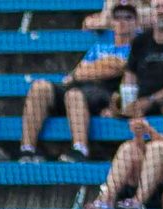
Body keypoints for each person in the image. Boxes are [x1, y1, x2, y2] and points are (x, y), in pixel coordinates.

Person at [18, 1, 138, 163]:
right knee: (39, 87)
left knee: (73, 95)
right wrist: (99, 67)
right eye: (117, 17)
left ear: (135, 22)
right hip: (78, 85)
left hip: (103, 93)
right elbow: (79, 70)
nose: (122, 21)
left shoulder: (137, 46)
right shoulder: (100, 45)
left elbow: (116, 68)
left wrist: (90, 70)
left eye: (128, 17)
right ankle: (27, 149)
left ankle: (80, 149)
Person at [94, 86, 163, 209]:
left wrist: (149, 130)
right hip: (151, 182)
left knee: (157, 148)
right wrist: (139, 135)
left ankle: (138, 201)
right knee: (128, 148)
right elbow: (144, 154)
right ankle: (106, 198)